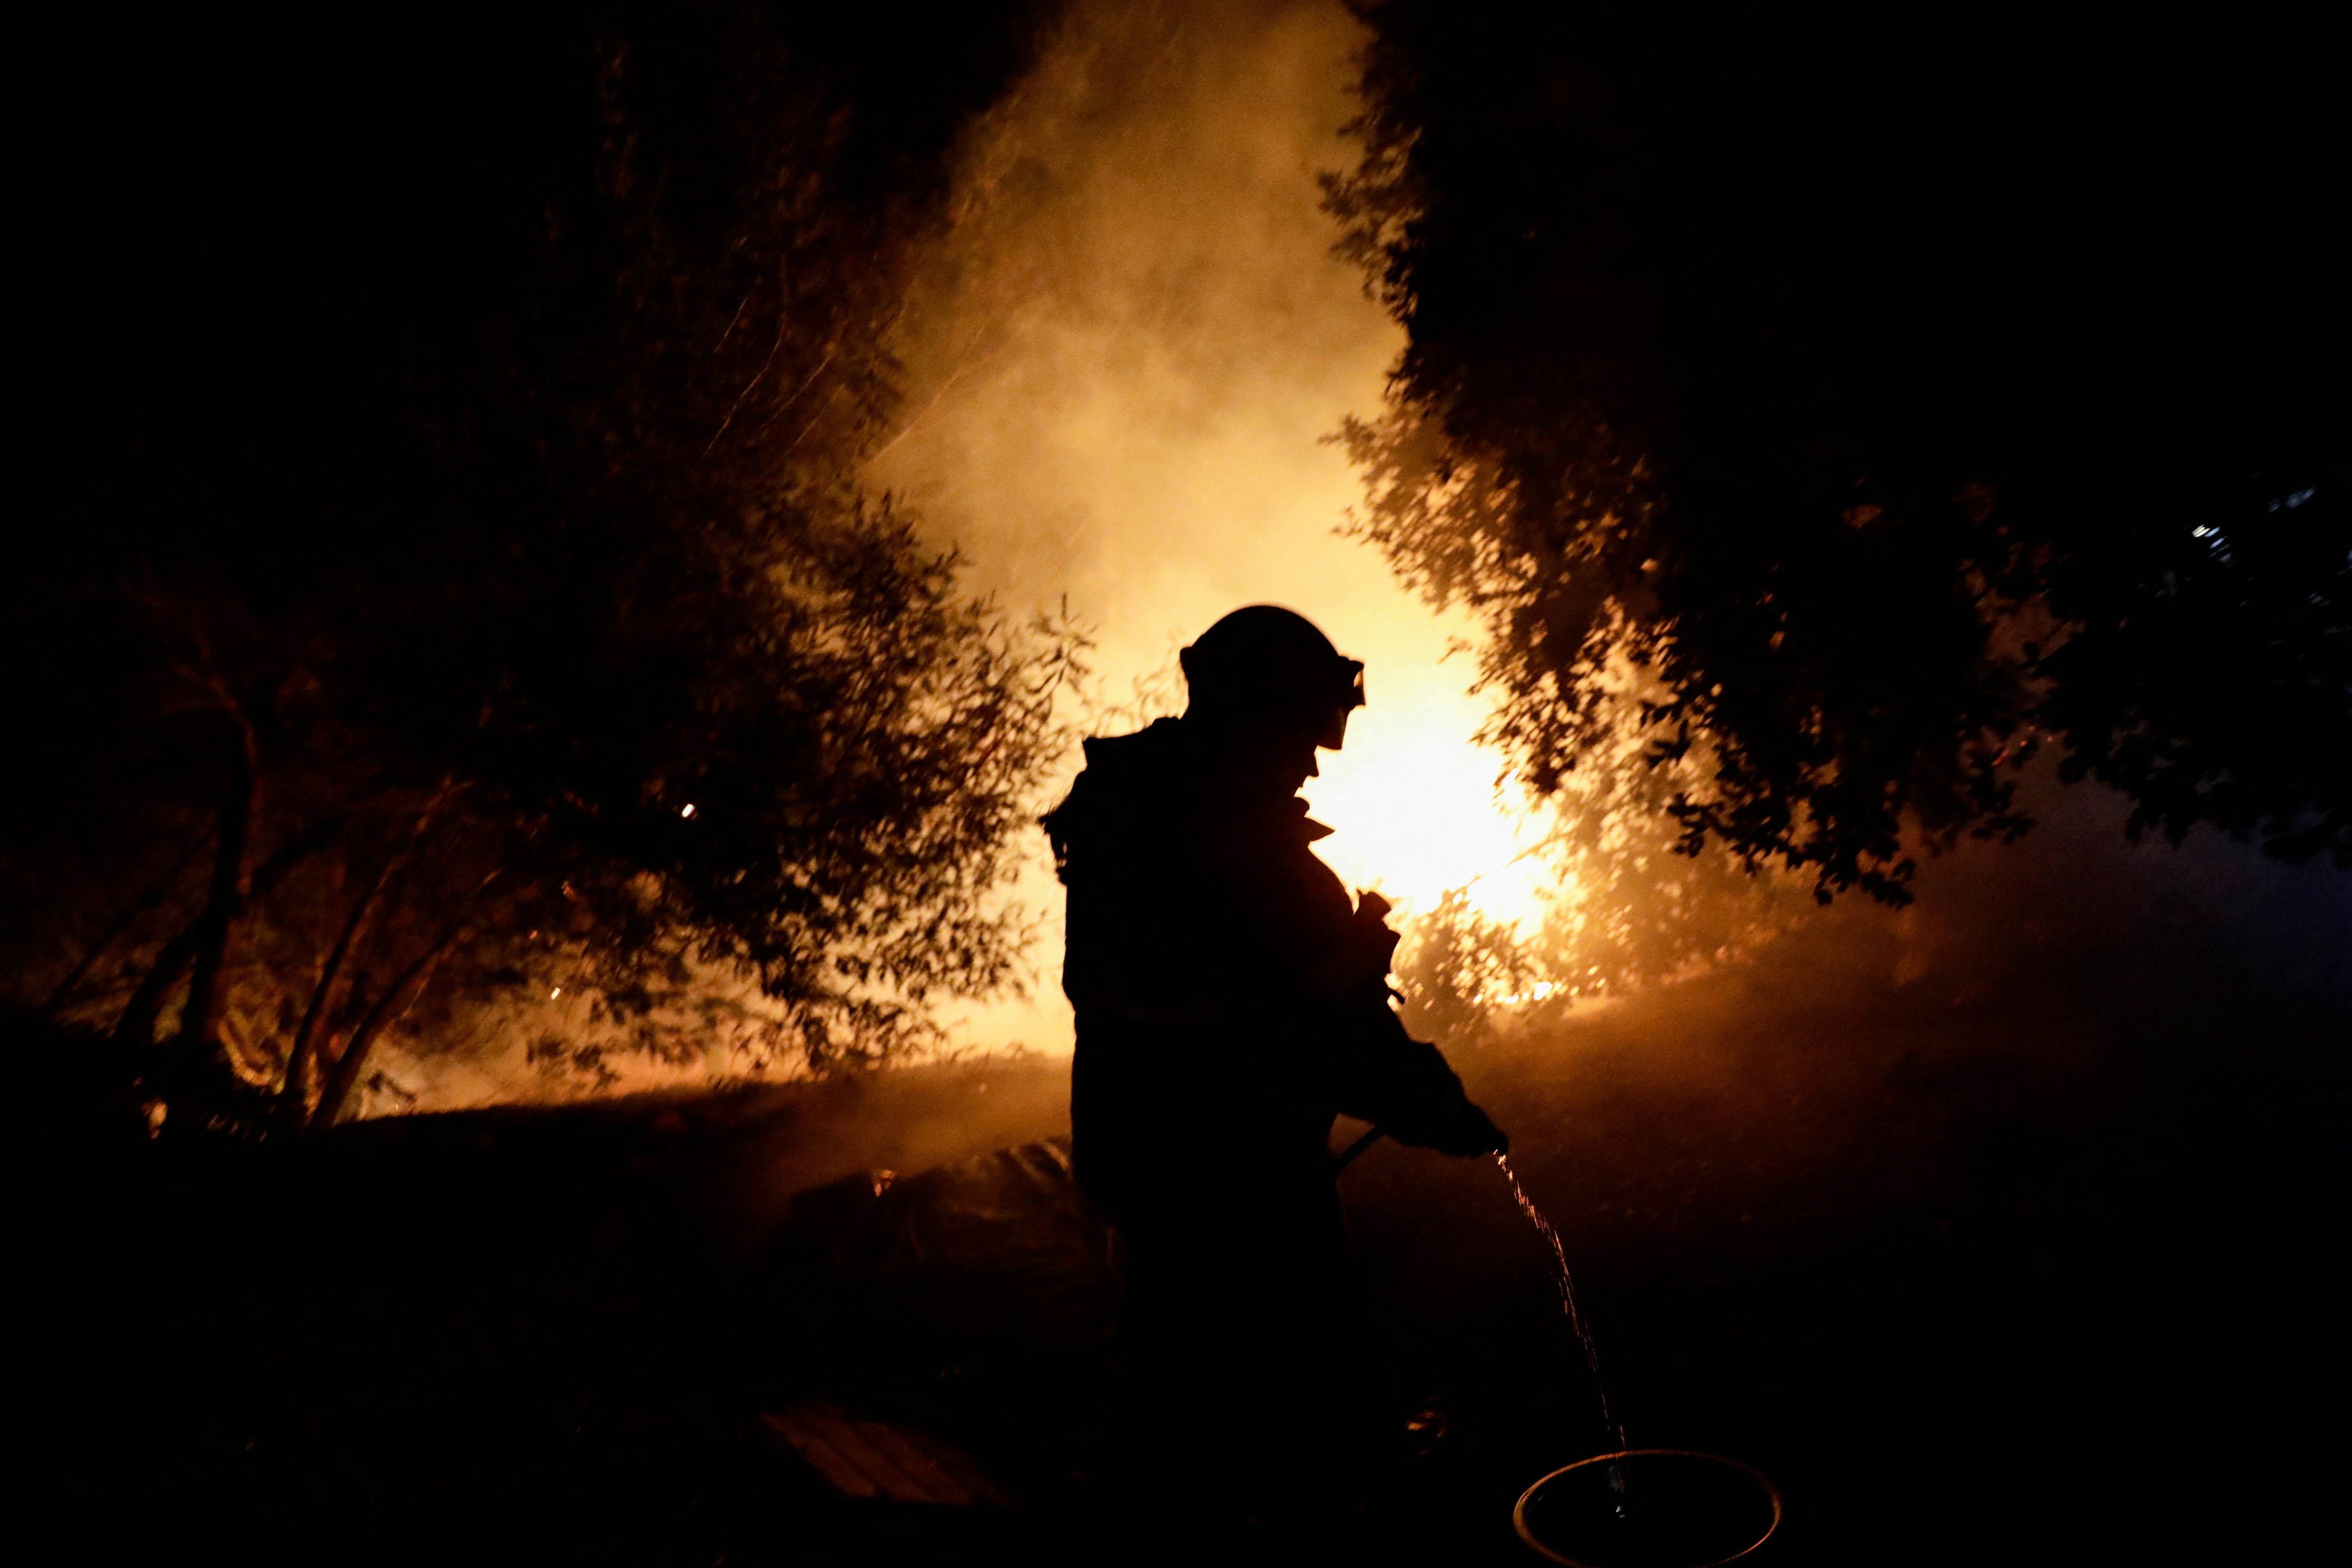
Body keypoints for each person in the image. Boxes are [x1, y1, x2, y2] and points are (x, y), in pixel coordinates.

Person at [1042, 604, 1507, 1519]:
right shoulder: (1254, 860)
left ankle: (1161, 1515)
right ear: (1256, 719)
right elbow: (1328, 1036)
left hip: (1138, 1154)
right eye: (1304, 735)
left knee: (1176, 1374)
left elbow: (1229, 998)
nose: (1315, 762)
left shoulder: (1133, 821)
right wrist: (1442, 1110)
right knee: (1304, 1388)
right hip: (1238, 1170)